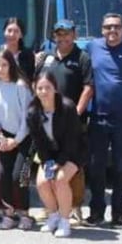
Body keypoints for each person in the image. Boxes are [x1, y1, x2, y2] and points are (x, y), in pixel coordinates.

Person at [85, 12, 122, 227]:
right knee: (96, 167)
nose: (112, 31)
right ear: (102, 30)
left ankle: (118, 214)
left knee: (121, 167)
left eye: (116, 27)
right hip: (98, 117)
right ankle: (97, 212)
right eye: (108, 27)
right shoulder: (92, 47)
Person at [35, 19, 93, 216]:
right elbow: (37, 85)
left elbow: (88, 87)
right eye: (59, 34)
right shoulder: (47, 58)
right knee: (49, 165)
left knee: (72, 170)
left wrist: (76, 114)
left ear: (74, 35)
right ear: (54, 36)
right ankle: (52, 207)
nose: (63, 38)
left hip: (71, 123)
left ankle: (74, 208)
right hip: (48, 122)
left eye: (67, 33)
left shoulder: (82, 57)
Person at [27, 70, 85, 238]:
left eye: (48, 88)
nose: (44, 92)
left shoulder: (67, 107)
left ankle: (65, 221)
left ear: (55, 89)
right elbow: (38, 142)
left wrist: (60, 162)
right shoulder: (32, 112)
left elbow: (73, 139)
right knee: (42, 182)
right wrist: (47, 162)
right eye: (40, 88)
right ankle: (53, 216)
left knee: (60, 179)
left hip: (73, 152)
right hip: (50, 154)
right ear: (34, 89)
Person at [0, 50, 33, 231]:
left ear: (11, 65)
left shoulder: (21, 86)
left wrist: (15, 141)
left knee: (19, 177)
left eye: (4, 65)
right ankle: (9, 214)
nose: (0, 69)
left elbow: (27, 118)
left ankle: (24, 214)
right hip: (5, 136)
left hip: (24, 138)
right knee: (2, 175)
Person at [0, 17, 35, 82]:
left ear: (21, 35)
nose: (12, 34)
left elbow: (31, 79)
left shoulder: (28, 55)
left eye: (16, 31)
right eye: (9, 30)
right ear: (4, 32)